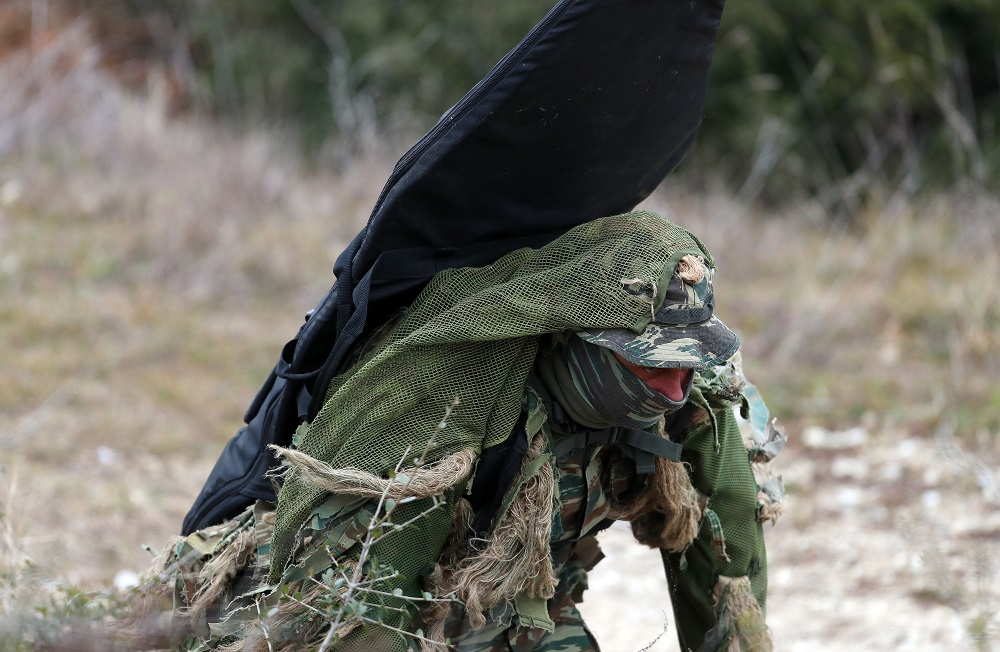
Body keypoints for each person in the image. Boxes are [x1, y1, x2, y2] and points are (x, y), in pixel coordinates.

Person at [137, 211, 784, 652]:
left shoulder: (684, 401)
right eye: (649, 363)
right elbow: (360, 607)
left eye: (686, 364)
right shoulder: (443, 408)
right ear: (575, 337)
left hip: (505, 618)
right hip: (340, 615)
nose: (673, 386)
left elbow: (728, 566)